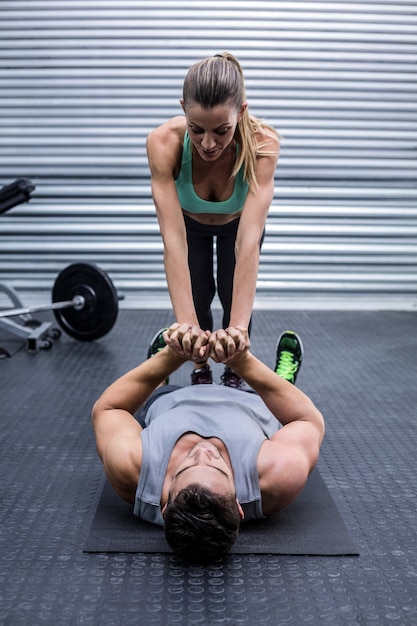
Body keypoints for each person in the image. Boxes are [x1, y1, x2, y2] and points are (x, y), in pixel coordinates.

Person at [92, 324, 325, 564]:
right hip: (256, 399)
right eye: (217, 466)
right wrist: (243, 362)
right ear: (239, 505)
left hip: (172, 399)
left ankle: (158, 373)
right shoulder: (276, 475)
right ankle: (282, 379)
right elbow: (308, 420)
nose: (203, 451)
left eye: (185, 466)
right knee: (284, 404)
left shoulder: (133, 467)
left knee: (154, 392)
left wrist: (172, 357)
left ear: (165, 507)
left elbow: (108, 409)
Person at [146, 52, 280, 388]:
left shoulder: (263, 144)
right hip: (190, 228)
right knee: (199, 299)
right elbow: (173, 242)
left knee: (235, 303)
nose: (208, 143)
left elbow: (248, 244)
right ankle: (199, 368)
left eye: (222, 131)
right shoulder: (164, 143)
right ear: (183, 109)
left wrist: (236, 332)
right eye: (197, 129)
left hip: (238, 228)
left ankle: (235, 369)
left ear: (242, 112)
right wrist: (187, 328)